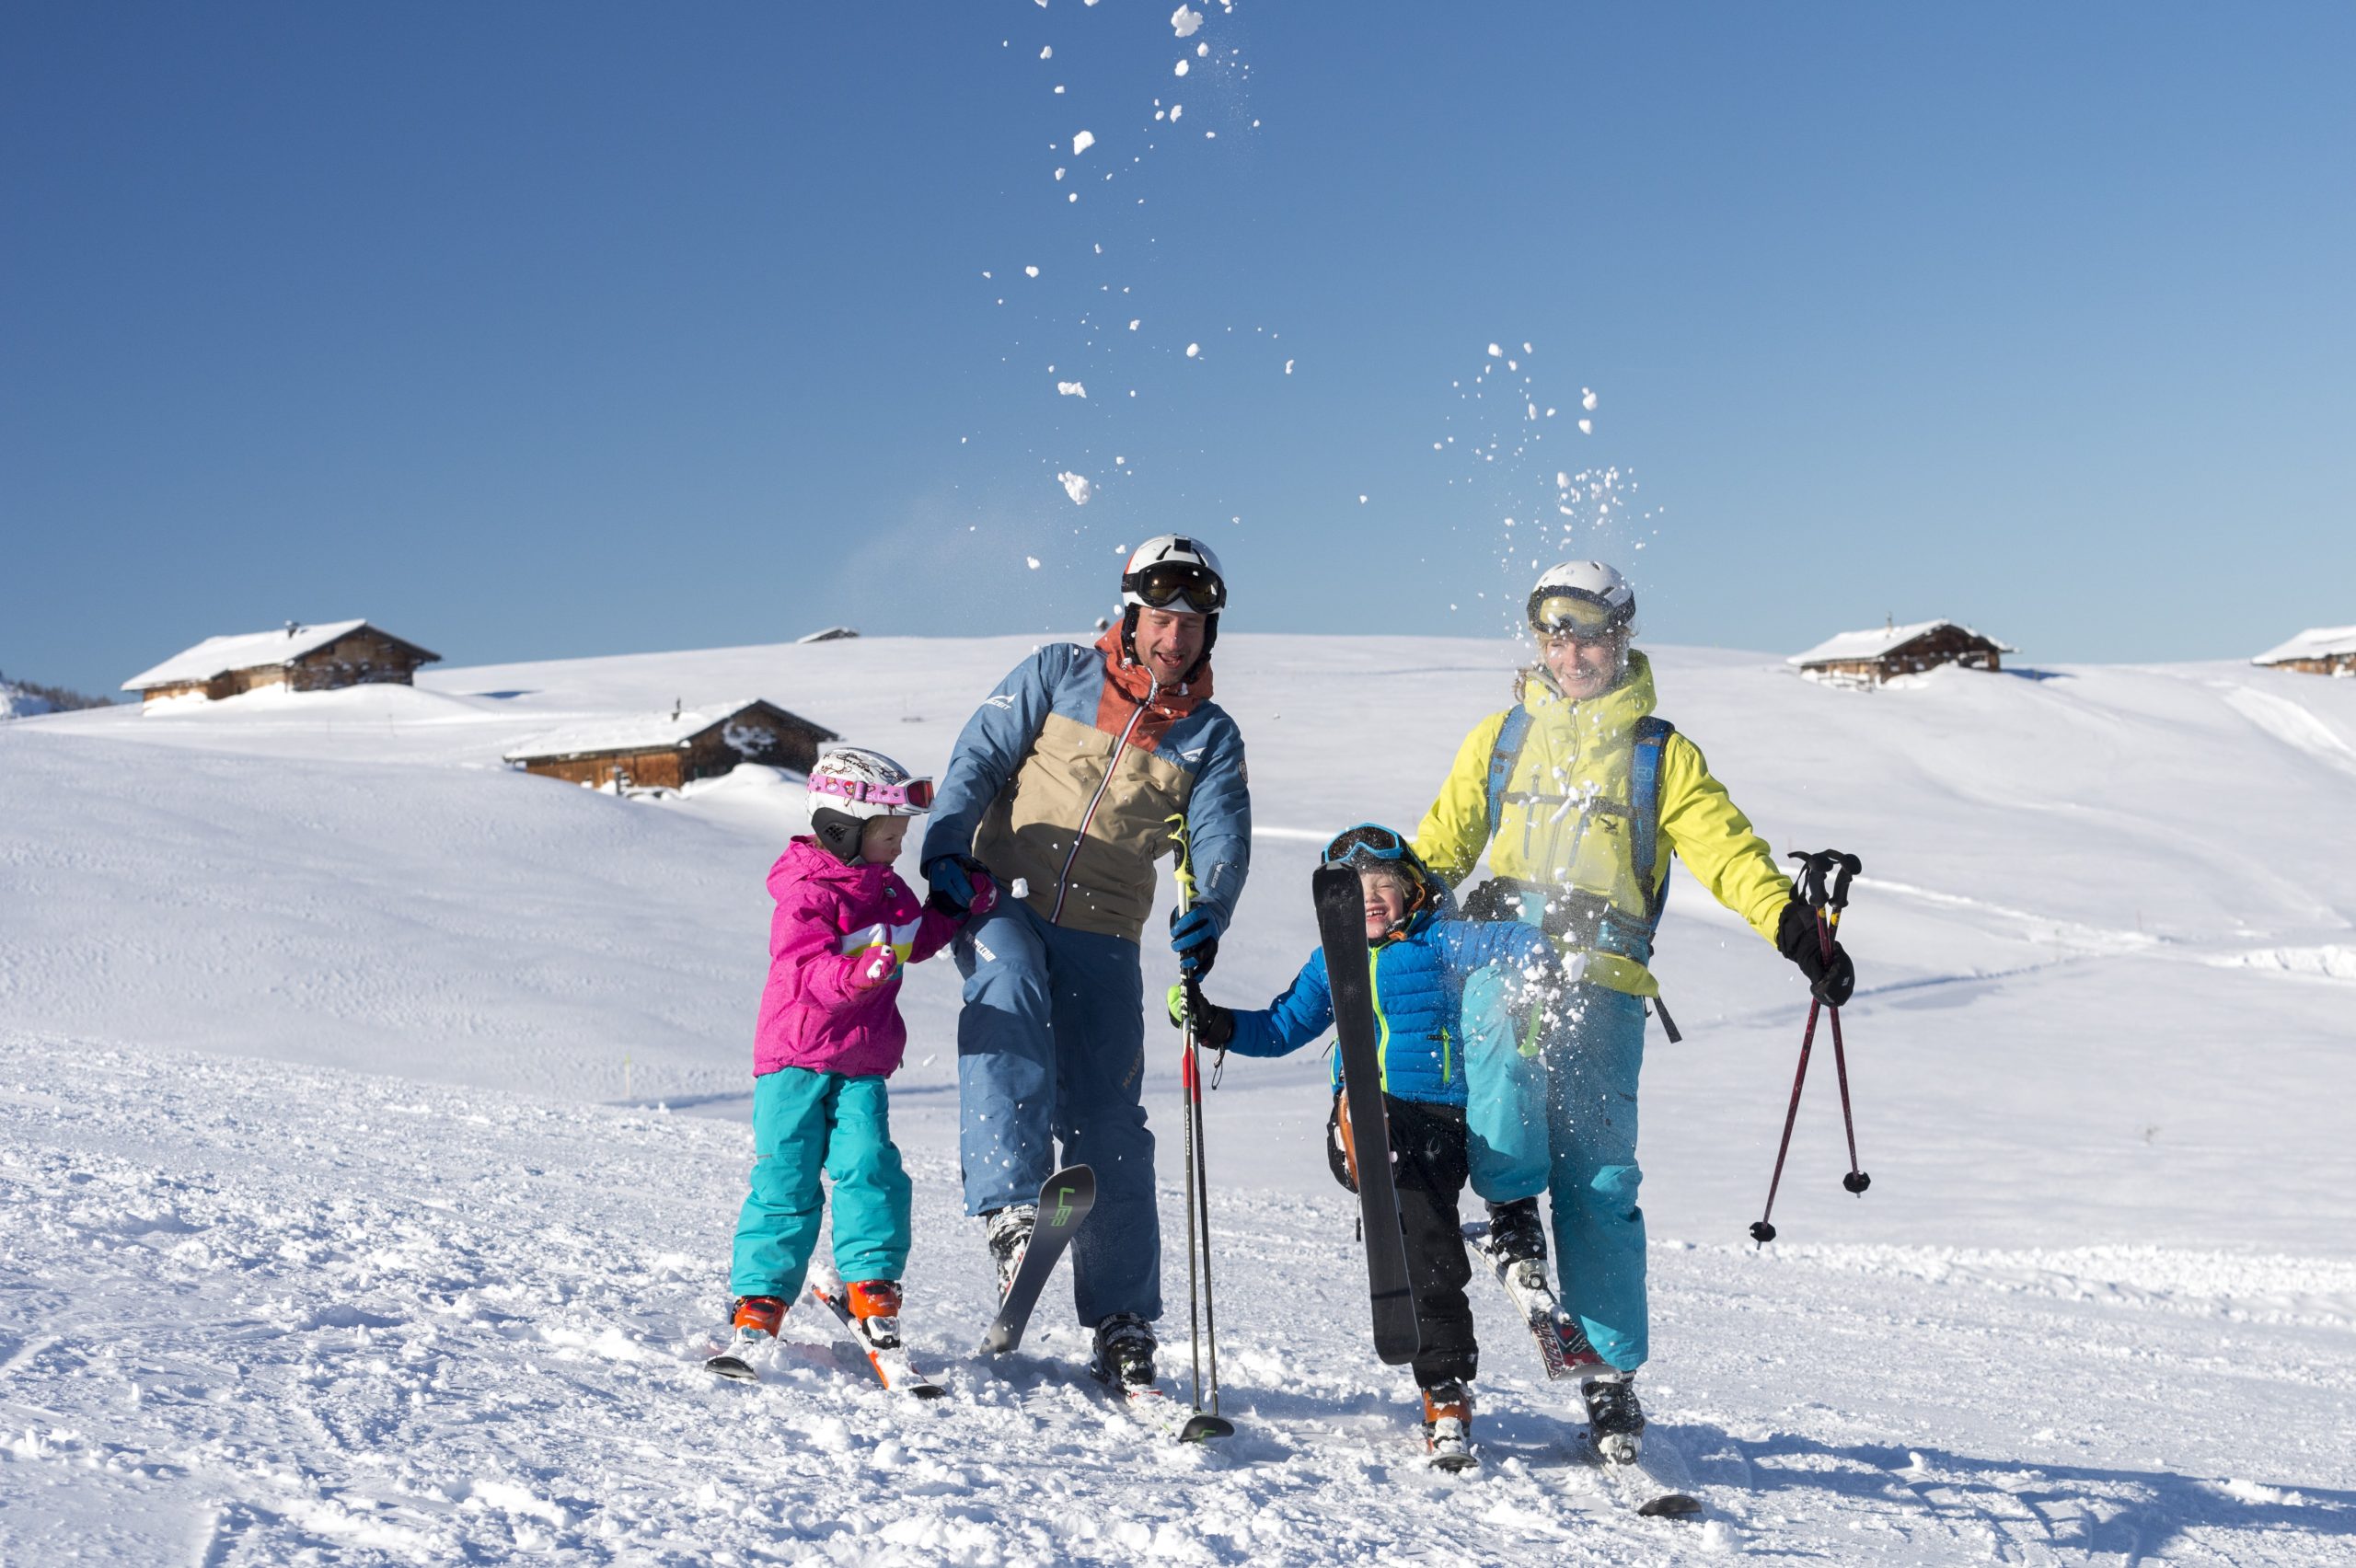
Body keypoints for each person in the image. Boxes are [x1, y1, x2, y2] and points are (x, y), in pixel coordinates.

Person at [1412, 560, 1857, 1457]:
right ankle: (1506, 1212)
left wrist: (1791, 925)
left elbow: (1727, 850)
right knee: (1499, 1046)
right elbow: (1439, 848)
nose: (1571, 651)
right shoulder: (1499, 741)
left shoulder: (1660, 754)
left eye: (1587, 633)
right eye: (1555, 633)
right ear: (1539, 642)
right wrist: (1383, 891)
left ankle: (1609, 1380)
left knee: (1602, 1180)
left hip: (1607, 982)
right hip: (1503, 957)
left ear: (1621, 636)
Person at [920, 536, 1251, 1390]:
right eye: (1162, 617)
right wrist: (947, 847)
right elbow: (979, 757)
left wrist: (1207, 908)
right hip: (1001, 895)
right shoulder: (1057, 673)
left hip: (1106, 929)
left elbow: (1220, 836)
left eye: (1193, 622)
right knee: (1011, 988)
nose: (1175, 637)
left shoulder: (1210, 736)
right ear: (1131, 614)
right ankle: (1010, 1213)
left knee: (1111, 1119)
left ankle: (1123, 1319)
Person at [1167, 824, 1557, 1466]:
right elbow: (1283, 1024)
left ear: (1413, 890)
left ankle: (1445, 1390)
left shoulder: (1441, 941)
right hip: (1368, 1114)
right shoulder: (1331, 961)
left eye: (1384, 887)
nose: (1371, 900)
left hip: (1441, 1126)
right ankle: (1362, 1134)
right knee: (1369, 1109)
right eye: (1355, 891)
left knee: (1427, 1250)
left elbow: (1508, 941)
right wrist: (1214, 1024)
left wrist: (1539, 962)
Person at [712, 746, 995, 1374]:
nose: (898, 848)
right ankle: (760, 1296)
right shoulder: (807, 893)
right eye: (888, 834)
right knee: (786, 1178)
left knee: (870, 1165)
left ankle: (871, 1282)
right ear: (841, 827)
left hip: (862, 1061)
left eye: (901, 835)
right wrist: (854, 974)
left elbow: (911, 944)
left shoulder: (888, 890)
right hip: (795, 1059)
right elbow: (805, 967)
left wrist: (952, 908)